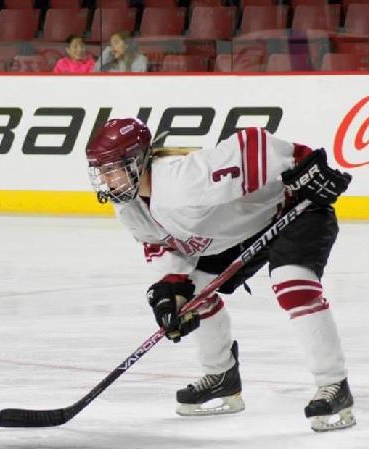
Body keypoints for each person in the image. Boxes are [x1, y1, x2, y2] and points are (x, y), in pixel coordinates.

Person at [85, 118, 355, 432]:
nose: (106, 180)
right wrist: (171, 293)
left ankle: (334, 385)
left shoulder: (181, 180)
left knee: (291, 283)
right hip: (242, 233)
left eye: (111, 169)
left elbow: (253, 144)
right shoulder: (129, 207)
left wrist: (305, 163)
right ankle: (222, 377)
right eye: (101, 171)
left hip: (296, 209)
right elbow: (163, 249)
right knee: (193, 293)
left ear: (136, 160)